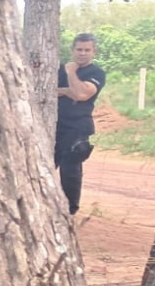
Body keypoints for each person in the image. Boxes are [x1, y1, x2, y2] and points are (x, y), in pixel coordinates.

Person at [56, 33, 105, 220]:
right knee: (41, 166)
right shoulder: (57, 69)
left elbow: (81, 95)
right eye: (79, 49)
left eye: (87, 50)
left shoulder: (96, 73)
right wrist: (68, 91)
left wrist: (70, 74)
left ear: (94, 52)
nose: (82, 53)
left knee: (70, 169)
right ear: (72, 50)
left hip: (78, 127)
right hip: (53, 125)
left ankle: (69, 212)